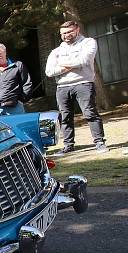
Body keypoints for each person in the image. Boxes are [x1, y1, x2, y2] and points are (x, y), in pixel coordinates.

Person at [45, 20, 108, 155]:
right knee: (65, 117)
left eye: (69, 32)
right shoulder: (56, 51)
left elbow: (84, 60)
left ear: (77, 30)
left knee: (90, 113)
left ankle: (99, 142)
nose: (66, 35)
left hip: (83, 83)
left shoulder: (88, 43)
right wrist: (73, 64)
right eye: (63, 33)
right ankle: (68, 146)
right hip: (62, 87)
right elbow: (49, 72)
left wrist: (61, 64)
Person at [0, 44, 32, 116]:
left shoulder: (17, 66)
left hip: (15, 108)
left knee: (19, 127)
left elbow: (26, 83)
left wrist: (21, 100)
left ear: (5, 53)